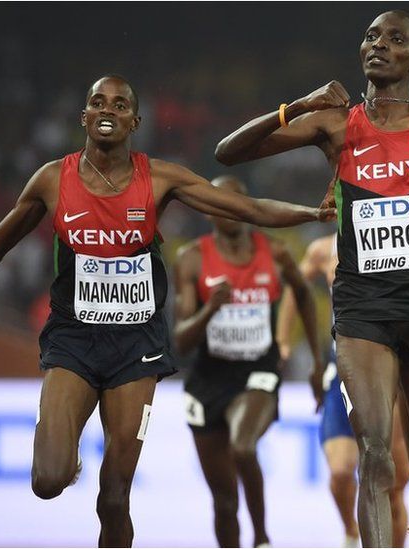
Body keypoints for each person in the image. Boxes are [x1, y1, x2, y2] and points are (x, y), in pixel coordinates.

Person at [0, 75, 328, 547]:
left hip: (136, 346)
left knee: (115, 496)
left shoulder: (160, 177)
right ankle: (66, 453)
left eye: (120, 104)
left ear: (135, 121)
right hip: (74, 339)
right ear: (84, 116)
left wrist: (310, 213)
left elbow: (244, 208)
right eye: (98, 102)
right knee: (48, 480)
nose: (109, 109)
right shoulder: (51, 180)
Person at [214, 10, 409, 546]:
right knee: (375, 451)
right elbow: (229, 152)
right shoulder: (336, 124)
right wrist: (299, 106)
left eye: (395, 39)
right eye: (370, 36)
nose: (378, 44)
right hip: (362, 311)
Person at [173, 175, 326, 547]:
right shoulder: (191, 259)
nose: (233, 208)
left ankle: (261, 538)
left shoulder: (274, 252)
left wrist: (317, 362)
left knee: (243, 446)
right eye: (222, 201)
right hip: (208, 378)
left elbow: (304, 297)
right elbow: (180, 341)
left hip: (258, 370)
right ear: (210, 211)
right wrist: (211, 309)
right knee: (224, 503)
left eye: (240, 200)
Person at [274, 234, 409, 548]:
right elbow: (296, 286)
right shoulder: (324, 250)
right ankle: (351, 531)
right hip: (345, 372)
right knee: (339, 471)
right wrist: (282, 341)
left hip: (394, 375)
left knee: (393, 486)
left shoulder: (398, 240)